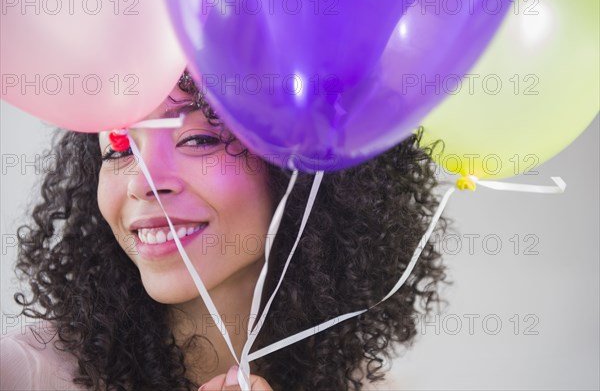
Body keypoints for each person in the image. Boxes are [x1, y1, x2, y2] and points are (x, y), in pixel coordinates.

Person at [1, 71, 448, 390]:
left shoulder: (366, 386)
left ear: (304, 168)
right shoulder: (21, 374)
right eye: (119, 147)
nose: (144, 181)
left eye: (199, 139)